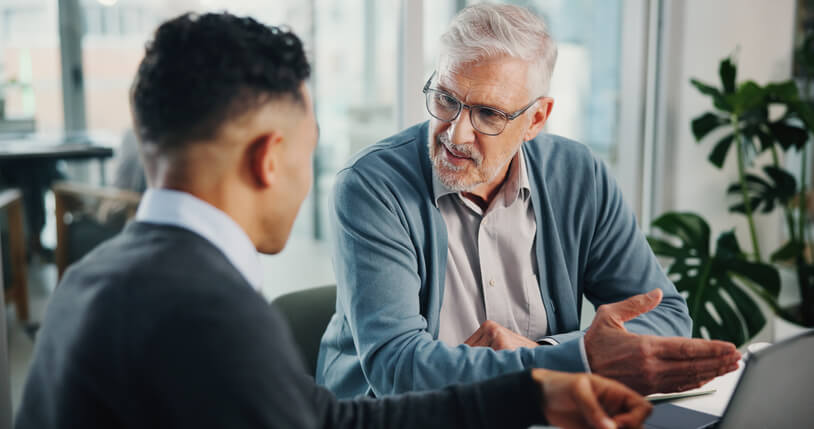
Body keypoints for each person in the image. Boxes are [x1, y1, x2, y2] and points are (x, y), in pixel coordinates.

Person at [14, 12, 653, 429]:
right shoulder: (207, 310)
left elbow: (324, 422)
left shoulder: (90, 279)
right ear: (270, 157)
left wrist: (536, 391)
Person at [317, 3, 740, 399]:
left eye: (488, 114)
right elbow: (398, 370)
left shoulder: (577, 175)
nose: (456, 134)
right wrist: (571, 360)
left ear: (536, 119)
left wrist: (547, 351)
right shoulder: (371, 186)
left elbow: (664, 316)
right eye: (446, 99)